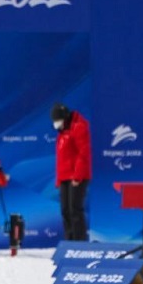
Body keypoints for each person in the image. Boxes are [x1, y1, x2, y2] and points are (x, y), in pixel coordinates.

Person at [51, 102, 91, 241]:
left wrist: (78, 176)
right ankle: (69, 240)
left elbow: (84, 153)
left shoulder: (79, 127)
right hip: (65, 177)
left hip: (77, 177)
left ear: (65, 118)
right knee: (65, 211)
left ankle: (79, 242)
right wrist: (59, 178)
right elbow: (62, 158)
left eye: (58, 120)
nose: (56, 124)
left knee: (75, 210)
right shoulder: (62, 133)